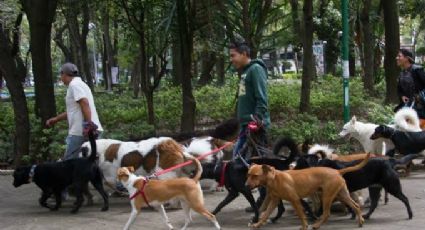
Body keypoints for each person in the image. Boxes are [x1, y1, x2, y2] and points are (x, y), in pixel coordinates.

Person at [46, 63, 103, 160]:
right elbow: (74, 110)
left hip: (80, 132)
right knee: (90, 165)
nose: (61, 78)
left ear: (64, 74)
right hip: (88, 130)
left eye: (61, 75)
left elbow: (84, 103)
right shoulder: (80, 84)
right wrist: (56, 119)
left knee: (69, 163)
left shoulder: (74, 85)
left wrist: (88, 126)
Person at [229, 41, 271, 163]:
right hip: (246, 126)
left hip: (255, 128)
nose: (231, 59)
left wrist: (257, 118)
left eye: (233, 55)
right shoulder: (246, 71)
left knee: (240, 164)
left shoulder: (255, 69)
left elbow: (262, 98)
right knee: (242, 165)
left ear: (244, 54)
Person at [395, 48, 425, 128]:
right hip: (408, 106)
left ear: (406, 58)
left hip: (421, 108)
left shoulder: (417, 70)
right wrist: (402, 96)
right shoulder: (402, 73)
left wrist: (419, 96)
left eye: (399, 56)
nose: (396, 58)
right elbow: (399, 89)